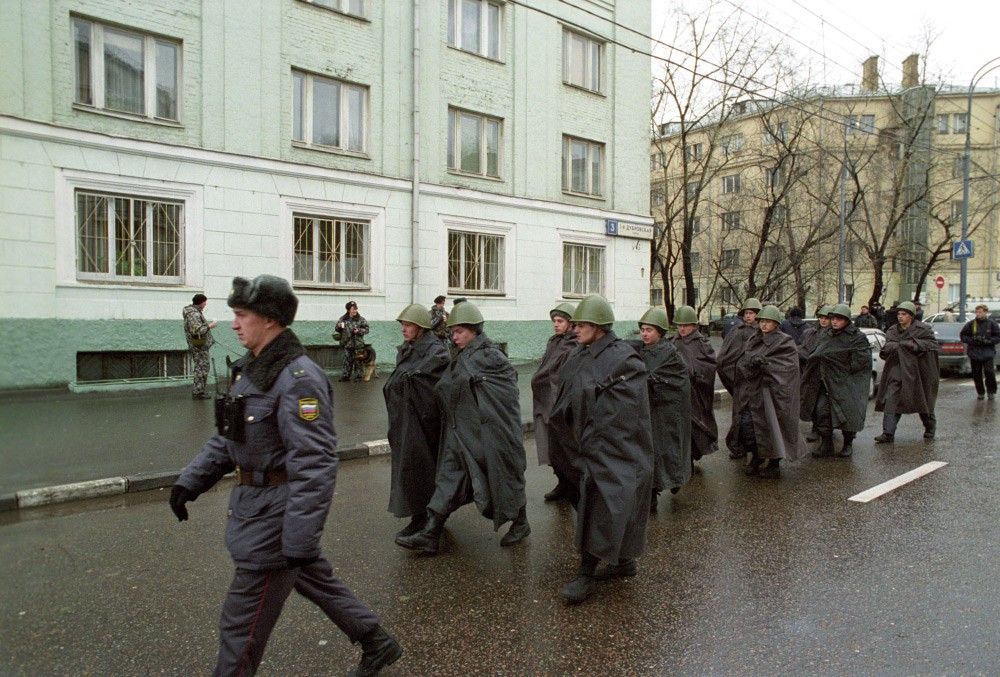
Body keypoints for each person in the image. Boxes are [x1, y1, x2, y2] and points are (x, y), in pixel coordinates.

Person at [168, 275, 402, 677]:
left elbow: (314, 463)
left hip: (275, 520)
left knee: (240, 628)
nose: (235, 324)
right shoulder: (255, 368)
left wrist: (299, 538)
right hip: (259, 511)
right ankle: (376, 641)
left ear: (270, 320)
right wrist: (191, 480)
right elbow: (230, 437)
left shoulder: (298, 378)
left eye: (242, 315)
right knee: (311, 576)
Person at [395, 301, 529, 554]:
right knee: (449, 477)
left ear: (475, 330)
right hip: (459, 433)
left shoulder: (491, 356)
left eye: (459, 332)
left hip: (486, 433)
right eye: (452, 332)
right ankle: (431, 533)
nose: (454, 337)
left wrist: (495, 429)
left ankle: (521, 523)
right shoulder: (464, 355)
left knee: (502, 477)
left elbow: (505, 396)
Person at [549, 295, 653, 604]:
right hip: (588, 445)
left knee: (603, 503)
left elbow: (623, 409)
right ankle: (623, 560)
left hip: (617, 448)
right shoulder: (583, 353)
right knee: (605, 504)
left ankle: (586, 572)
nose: (575, 330)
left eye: (580, 325)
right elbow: (568, 389)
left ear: (598, 326)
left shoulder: (624, 358)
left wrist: (591, 433)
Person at [384, 303, 451, 540]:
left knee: (421, 469)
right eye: (402, 324)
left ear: (421, 327)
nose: (404, 328)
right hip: (405, 419)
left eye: (408, 324)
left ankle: (425, 518)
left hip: (424, 422)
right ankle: (423, 515)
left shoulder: (436, 351)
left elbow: (433, 385)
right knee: (410, 469)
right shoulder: (408, 348)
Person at [631, 307, 691, 511]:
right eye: (643, 330)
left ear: (660, 332)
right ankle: (652, 490)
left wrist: (656, 384)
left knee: (661, 451)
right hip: (646, 409)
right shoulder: (641, 350)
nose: (645, 334)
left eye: (649, 330)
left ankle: (656, 491)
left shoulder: (669, 354)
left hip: (664, 412)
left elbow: (679, 382)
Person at [734, 305, 803, 478]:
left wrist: (766, 365)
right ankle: (757, 455)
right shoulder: (753, 339)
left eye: (768, 322)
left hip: (774, 394)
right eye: (762, 321)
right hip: (754, 392)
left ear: (776, 324)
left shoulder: (784, 341)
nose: (764, 325)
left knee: (773, 426)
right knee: (749, 426)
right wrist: (752, 361)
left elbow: (788, 367)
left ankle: (774, 462)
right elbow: (743, 360)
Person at [800, 304, 871, 458]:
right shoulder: (826, 335)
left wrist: (839, 365)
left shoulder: (857, 338)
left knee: (848, 414)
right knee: (821, 412)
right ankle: (826, 444)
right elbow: (817, 354)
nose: (834, 322)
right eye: (833, 318)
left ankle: (847, 444)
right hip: (826, 381)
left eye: (838, 319)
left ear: (846, 320)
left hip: (846, 384)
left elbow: (861, 362)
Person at [530, 302, 579, 502]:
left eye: (560, 321)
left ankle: (574, 487)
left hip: (558, 405)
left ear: (570, 323)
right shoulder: (555, 341)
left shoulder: (573, 344)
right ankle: (562, 483)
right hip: (544, 403)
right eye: (554, 321)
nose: (556, 325)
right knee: (551, 448)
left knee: (565, 449)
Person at [874, 301, 939, 443]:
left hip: (918, 372)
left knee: (923, 401)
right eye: (899, 314)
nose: (900, 317)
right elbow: (886, 347)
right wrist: (890, 348)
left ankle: (929, 427)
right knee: (891, 400)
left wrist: (915, 344)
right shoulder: (892, 330)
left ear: (911, 316)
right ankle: (888, 433)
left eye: (904, 314)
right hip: (896, 370)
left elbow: (932, 345)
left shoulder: (923, 329)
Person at [670, 305, 719, 464]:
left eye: (685, 325)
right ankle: (685, 460)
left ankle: (692, 455)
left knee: (696, 427)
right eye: (679, 325)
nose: (682, 328)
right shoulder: (672, 341)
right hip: (676, 393)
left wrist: (696, 373)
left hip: (695, 394)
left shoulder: (702, 344)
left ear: (693, 325)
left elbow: (710, 365)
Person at [717, 297, 762, 458]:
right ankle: (739, 447)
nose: (748, 316)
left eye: (752, 313)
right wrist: (734, 379)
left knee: (757, 417)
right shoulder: (737, 331)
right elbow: (724, 358)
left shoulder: (763, 331)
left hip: (758, 383)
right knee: (739, 416)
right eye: (746, 313)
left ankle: (759, 450)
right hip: (741, 382)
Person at [799, 306, 832, 443]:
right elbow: (801, 347)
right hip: (810, 373)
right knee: (810, 402)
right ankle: (816, 428)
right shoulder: (809, 333)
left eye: (826, 318)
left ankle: (824, 431)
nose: (823, 321)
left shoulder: (832, 335)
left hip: (826, 375)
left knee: (822, 407)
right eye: (821, 318)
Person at [960, 304, 1000, 400]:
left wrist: (988, 341)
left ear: (985, 312)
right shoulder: (971, 324)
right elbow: (963, 335)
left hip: (988, 352)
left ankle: (991, 392)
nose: (977, 314)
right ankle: (980, 392)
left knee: (989, 372)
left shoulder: (992, 323)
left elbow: (998, 337)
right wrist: (971, 340)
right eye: (976, 312)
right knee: (976, 374)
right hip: (974, 352)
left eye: (980, 312)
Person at [183, 293, 218, 400]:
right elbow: (196, 330)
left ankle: (199, 391)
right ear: (201, 302)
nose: (206, 304)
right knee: (201, 368)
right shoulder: (194, 314)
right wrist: (210, 326)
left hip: (200, 345)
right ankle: (198, 392)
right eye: (205, 302)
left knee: (202, 367)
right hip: (199, 346)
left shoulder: (194, 312)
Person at [336, 301, 370, 382]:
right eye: (353, 309)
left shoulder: (361, 319)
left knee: (358, 360)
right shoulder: (343, 319)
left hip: (358, 343)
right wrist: (338, 326)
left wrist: (359, 330)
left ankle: (358, 376)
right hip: (347, 343)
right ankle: (346, 376)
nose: (355, 311)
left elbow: (367, 329)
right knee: (347, 360)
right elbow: (337, 329)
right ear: (348, 310)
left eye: (356, 309)